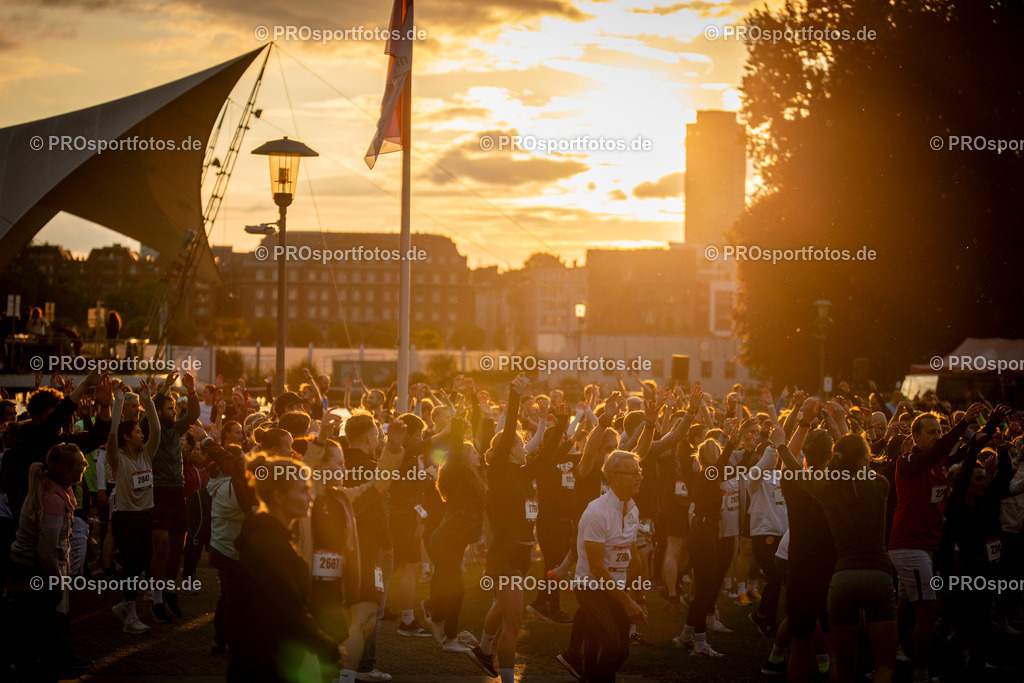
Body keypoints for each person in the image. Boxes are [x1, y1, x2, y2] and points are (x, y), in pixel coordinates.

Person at [776, 434, 897, 683]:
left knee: (841, 667)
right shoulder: (880, 485)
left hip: (839, 579)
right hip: (876, 573)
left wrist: (781, 445)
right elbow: (862, 469)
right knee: (884, 666)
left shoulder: (827, 491)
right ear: (865, 458)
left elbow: (795, 471)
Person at [887, 402, 988, 683]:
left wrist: (989, 428)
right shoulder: (908, 461)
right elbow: (941, 452)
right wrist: (960, 426)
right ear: (915, 436)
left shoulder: (939, 461)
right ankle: (921, 675)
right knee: (927, 614)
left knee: (905, 609)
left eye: (938, 432)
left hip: (923, 547)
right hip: (909, 546)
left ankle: (888, 657)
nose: (936, 436)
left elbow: (965, 452)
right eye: (931, 432)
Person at [228, 454, 340, 683]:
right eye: (302, 490)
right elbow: (288, 610)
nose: (310, 496)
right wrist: (327, 646)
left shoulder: (274, 539)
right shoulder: (267, 545)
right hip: (264, 667)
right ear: (279, 496)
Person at [557, 449, 647, 682]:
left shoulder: (633, 509)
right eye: (634, 473)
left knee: (622, 652)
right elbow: (596, 567)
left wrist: (638, 598)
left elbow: (634, 557)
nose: (640, 477)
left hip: (615, 587)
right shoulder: (596, 512)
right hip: (591, 586)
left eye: (640, 472)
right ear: (615, 478)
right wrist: (626, 601)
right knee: (610, 641)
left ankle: (590, 677)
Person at [8, 443, 92, 679]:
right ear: (66, 470)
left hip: (41, 567)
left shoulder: (62, 490)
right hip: (32, 569)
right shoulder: (52, 499)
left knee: (53, 618)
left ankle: (59, 657)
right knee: (43, 621)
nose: (85, 466)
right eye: (80, 463)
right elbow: (45, 552)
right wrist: (56, 583)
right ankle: (46, 663)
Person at [107, 383, 160, 634]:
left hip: (145, 516)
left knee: (142, 563)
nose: (143, 435)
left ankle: (124, 606)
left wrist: (148, 400)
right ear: (126, 436)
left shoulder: (147, 454)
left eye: (142, 431)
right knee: (132, 563)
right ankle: (130, 615)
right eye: (138, 432)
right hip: (124, 517)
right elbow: (110, 435)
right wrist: (117, 402)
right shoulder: (116, 457)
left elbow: (157, 429)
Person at [149, 371, 200, 623]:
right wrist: (165, 387)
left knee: (176, 548)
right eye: (168, 408)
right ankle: (156, 597)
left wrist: (191, 390)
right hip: (158, 492)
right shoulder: (151, 428)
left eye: (172, 408)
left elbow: (192, 415)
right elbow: (151, 408)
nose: (172, 411)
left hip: (176, 492)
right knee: (161, 547)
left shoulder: (176, 428)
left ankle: (169, 588)